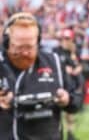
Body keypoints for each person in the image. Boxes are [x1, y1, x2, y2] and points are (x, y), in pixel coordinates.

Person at [0, 12, 82, 140]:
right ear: (7, 43)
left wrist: (67, 99)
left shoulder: (54, 62)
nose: (25, 52)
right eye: (19, 47)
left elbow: (76, 101)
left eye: (29, 46)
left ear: (38, 42)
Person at [54, 29, 84, 140]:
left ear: (72, 40)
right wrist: (64, 69)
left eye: (68, 39)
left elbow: (80, 66)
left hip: (73, 83)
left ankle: (70, 132)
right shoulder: (56, 51)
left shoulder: (75, 51)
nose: (65, 41)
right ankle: (60, 131)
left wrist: (75, 66)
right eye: (63, 38)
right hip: (60, 84)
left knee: (71, 110)